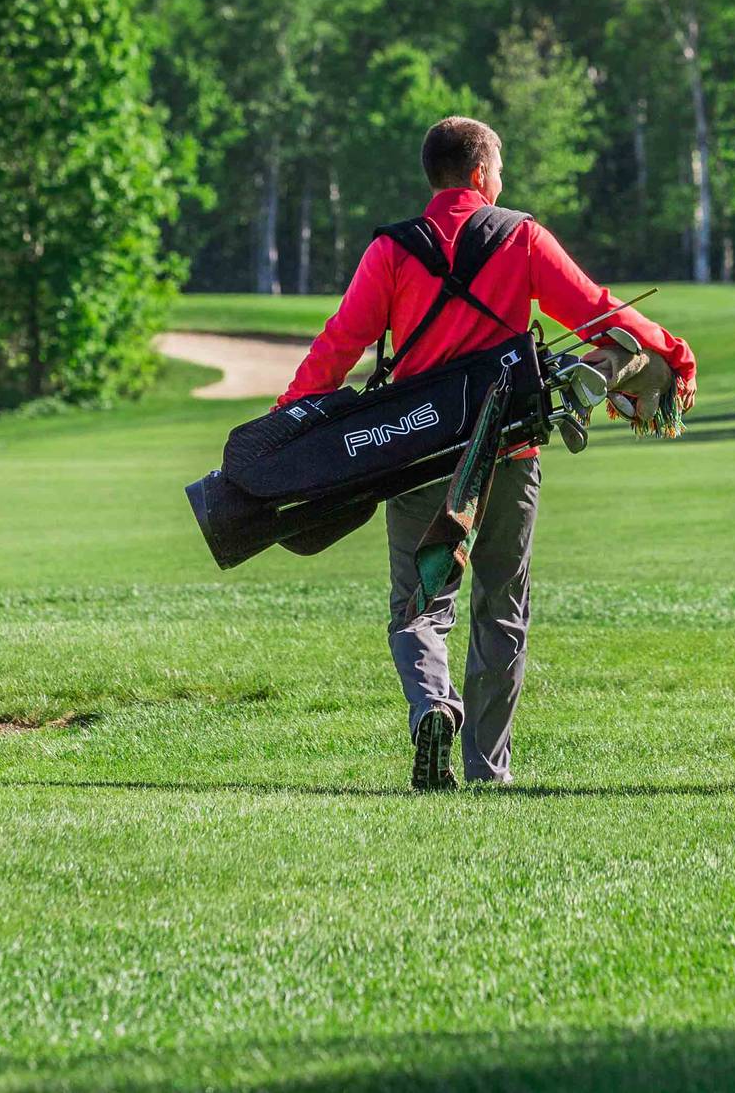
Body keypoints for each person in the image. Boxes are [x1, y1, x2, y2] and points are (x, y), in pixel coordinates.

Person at [277, 115, 697, 793]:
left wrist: (285, 421)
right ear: (480, 173)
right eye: (498, 171)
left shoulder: (390, 250)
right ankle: (486, 768)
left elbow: (338, 346)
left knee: (419, 605)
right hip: (510, 448)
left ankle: (433, 708)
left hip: (421, 455)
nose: (500, 181)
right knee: (501, 605)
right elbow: (595, 310)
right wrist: (673, 353)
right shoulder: (521, 235)